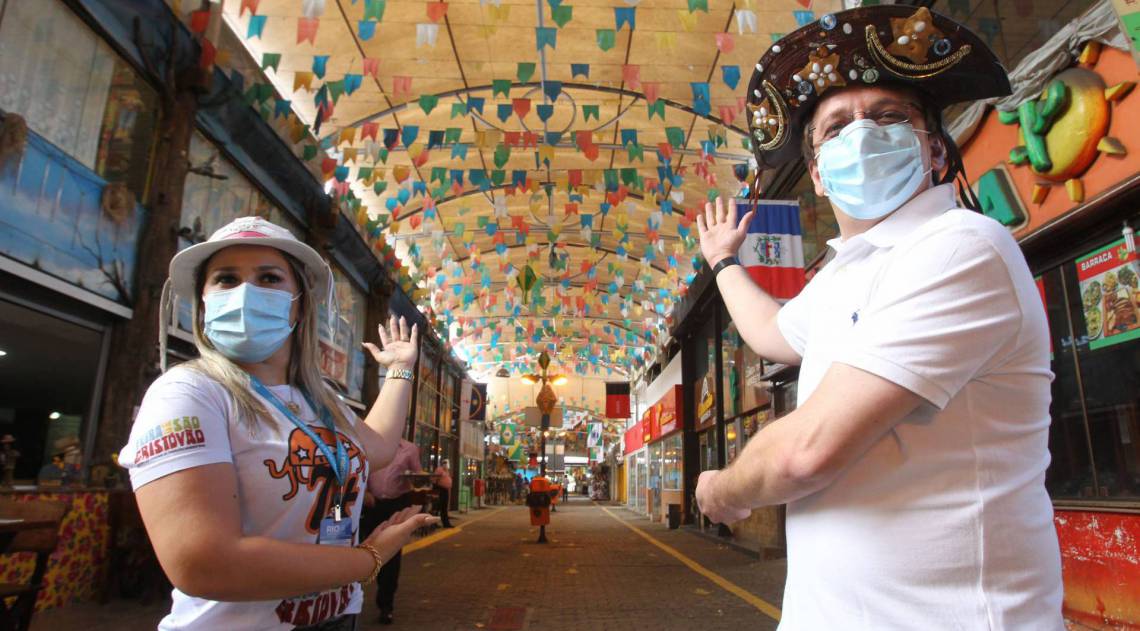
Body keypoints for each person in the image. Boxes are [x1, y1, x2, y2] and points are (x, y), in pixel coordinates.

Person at [693, 6, 1062, 629]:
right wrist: (725, 261)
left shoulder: (960, 246)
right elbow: (773, 334)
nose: (862, 134)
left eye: (890, 116)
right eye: (836, 127)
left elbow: (805, 452)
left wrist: (721, 490)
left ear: (934, 149)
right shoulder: (845, 273)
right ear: (817, 174)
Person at [118, 216, 438, 630]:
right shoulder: (188, 394)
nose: (246, 292)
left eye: (269, 278)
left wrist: (400, 370)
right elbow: (202, 563)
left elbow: (375, 447)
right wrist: (368, 558)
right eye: (226, 279)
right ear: (203, 300)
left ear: (300, 302)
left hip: (338, 618)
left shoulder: (321, 400)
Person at [359, 439, 422, 625]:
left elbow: (418, 477)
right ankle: (347, 600)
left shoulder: (409, 449)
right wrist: (365, 492)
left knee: (391, 558)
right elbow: (361, 470)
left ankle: (386, 605)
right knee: (361, 549)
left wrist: (414, 480)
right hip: (370, 506)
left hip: (395, 506)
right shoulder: (368, 443)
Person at [433, 459, 453, 528]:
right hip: (440, 490)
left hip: (445, 490)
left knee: (444, 508)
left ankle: (446, 523)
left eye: (446, 463)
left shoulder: (447, 471)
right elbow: (434, 480)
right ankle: (434, 523)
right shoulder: (439, 470)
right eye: (444, 463)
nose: (445, 464)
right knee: (438, 507)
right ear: (442, 464)